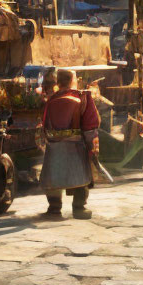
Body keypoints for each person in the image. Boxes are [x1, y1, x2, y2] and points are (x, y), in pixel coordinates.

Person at [40, 69, 100, 220]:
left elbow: (45, 124)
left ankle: (54, 207)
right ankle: (79, 208)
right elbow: (90, 125)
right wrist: (92, 145)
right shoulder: (83, 98)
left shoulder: (51, 100)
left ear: (58, 82)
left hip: (55, 146)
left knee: (53, 177)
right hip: (76, 147)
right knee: (80, 178)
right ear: (73, 80)